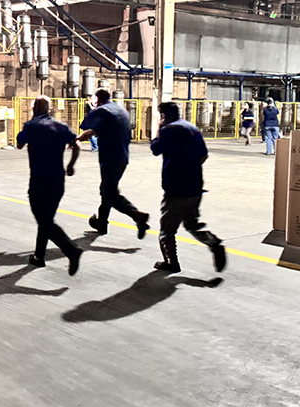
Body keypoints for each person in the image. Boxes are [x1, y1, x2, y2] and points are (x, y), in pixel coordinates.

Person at [150, 102, 226, 274]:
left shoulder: (167, 130)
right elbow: (204, 155)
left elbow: (155, 149)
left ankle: (171, 262)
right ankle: (213, 243)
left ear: (164, 116)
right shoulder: (192, 128)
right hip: (195, 186)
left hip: (175, 188)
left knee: (167, 230)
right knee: (192, 224)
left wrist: (158, 129)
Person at [16, 96, 82, 274]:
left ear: (34, 109)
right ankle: (39, 256)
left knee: (43, 220)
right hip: (57, 179)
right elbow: (76, 144)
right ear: (50, 109)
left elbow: (19, 144)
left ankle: (71, 250)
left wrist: (29, 126)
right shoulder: (61, 126)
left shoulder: (31, 126)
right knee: (47, 219)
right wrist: (71, 165)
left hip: (39, 180)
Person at [77, 88, 150, 238]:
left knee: (109, 193)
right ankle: (101, 223)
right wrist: (82, 137)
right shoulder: (120, 110)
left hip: (110, 158)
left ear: (98, 100)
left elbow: (86, 126)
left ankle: (138, 216)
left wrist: (76, 138)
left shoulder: (103, 111)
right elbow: (96, 130)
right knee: (107, 189)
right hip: (122, 157)